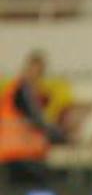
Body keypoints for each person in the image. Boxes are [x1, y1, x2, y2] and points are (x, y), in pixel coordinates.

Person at [1, 51, 65, 187]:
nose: (37, 77)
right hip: (21, 155)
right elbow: (38, 122)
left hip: (18, 155)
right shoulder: (22, 90)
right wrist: (61, 136)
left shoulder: (19, 90)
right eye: (36, 72)